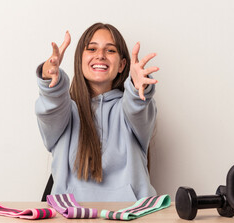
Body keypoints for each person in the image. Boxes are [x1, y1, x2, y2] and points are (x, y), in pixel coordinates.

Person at [35, 22, 159, 202]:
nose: (100, 55)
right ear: (80, 60)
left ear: (122, 65)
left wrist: (138, 87)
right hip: (70, 220)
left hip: (131, 218)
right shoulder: (65, 112)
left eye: (110, 51)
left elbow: (138, 107)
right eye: (92, 49)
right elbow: (51, 106)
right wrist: (50, 81)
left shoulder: (128, 111)